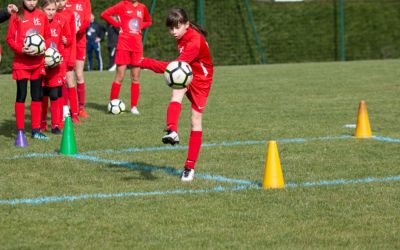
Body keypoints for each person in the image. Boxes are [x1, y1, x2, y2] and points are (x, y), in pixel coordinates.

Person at [139, 8, 214, 182]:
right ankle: (172, 130)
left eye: (177, 27)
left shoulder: (194, 42)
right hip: (188, 72)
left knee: (195, 120)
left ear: (186, 25)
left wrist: (146, 62)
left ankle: (189, 167)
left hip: (202, 79)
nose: (173, 32)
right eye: (171, 28)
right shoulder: (182, 36)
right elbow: (179, 68)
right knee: (176, 92)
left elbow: (172, 67)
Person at [6, 0, 49, 143]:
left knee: (37, 96)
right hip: (21, 63)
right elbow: (10, 39)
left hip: (38, 63)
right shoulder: (17, 15)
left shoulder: (42, 15)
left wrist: (44, 47)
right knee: (21, 95)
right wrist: (21, 49)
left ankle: (36, 130)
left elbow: (47, 37)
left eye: (34, 0)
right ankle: (20, 131)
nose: (31, 2)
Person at [101, 0, 152, 115]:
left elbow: (149, 21)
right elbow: (104, 14)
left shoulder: (142, 7)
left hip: (137, 46)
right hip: (123, 44)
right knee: (120, 76)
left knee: (135, 77)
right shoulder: (122, 5)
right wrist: (118, 24)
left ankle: (134, 107)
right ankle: (112, 104)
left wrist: (140, 26)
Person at [40, 0, 71, 134]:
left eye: (53, 9)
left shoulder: (62, 20)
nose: (51, 12)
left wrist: (66, 40)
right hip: (41, 64)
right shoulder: (39, 21)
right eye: (48, 9)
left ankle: (55, 125)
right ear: (43, 9)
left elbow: (69, 38)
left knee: (54, 94)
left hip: (57, 64)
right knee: (42, 94)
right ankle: (42, 124)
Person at [65, 0, 91, 118]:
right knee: (66, 76)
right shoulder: (64, 1)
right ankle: (67, 107)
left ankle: (81, 108)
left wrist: (77, 30)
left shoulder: (85, 1)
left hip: (80, 42)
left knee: (79, 75)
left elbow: (87, 20)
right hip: (67, 42)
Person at [57, 0, 80, 124]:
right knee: (59, 84)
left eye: (62, 0)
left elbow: (72, 39)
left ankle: (74, 114)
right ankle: (63, 113)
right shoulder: (50, 13)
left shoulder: (70, 14)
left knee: (70, 83)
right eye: (57, 0)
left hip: (67, 55)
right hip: (54, 55)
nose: (60, 3)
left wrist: (71, 58)